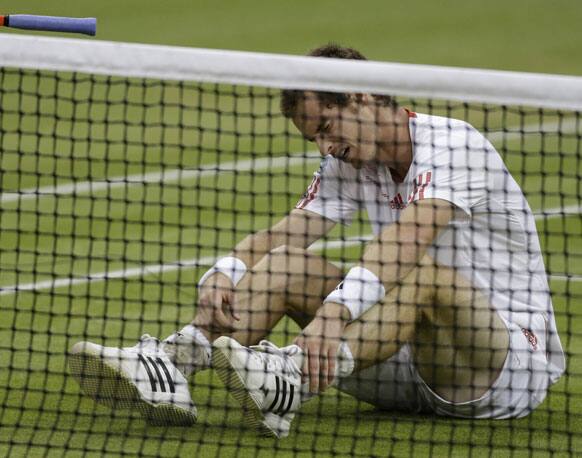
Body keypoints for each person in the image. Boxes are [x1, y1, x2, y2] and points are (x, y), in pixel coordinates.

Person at [68, 44, 565, 438]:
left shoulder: (457, 146)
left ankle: (293, 375)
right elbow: (286, 233)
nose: (326, 147)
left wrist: (332, 315)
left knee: (420, 271)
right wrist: (225, 270)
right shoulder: (347, 162)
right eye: (315, 140)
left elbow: (409, 239)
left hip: (497, 371)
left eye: (326, 127)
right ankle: (174, 366)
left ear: (362, 96)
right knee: (285, 263)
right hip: (402, 361)